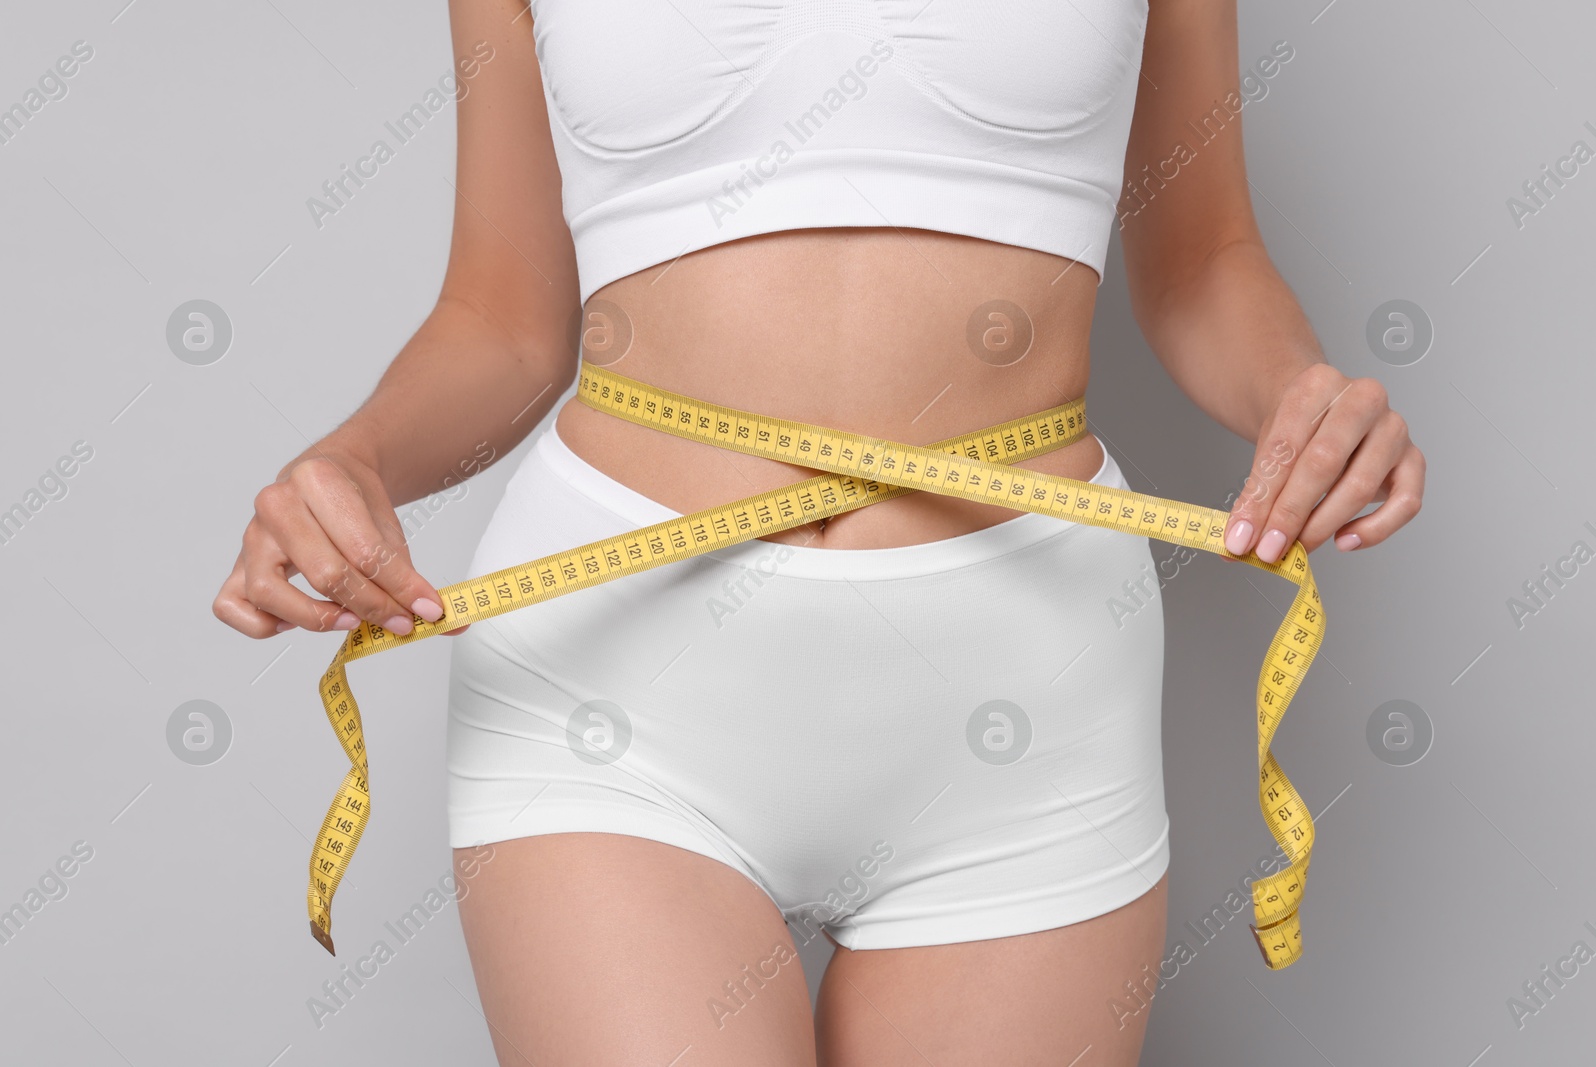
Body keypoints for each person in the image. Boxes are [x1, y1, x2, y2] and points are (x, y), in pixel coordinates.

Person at [213, 1, 1425, 1063]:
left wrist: (1299, 399)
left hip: (1025, 685)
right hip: (616, 686)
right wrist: (353, 457)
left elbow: (1203, 254)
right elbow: (504, 316)